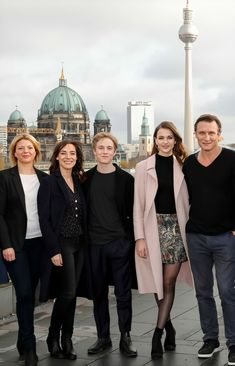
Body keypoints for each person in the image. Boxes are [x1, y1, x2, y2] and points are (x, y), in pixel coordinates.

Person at [134, 121, 192, 359]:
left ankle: (157, 333)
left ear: (175, 141)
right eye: (161, 138)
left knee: (167, 282)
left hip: (176, 230)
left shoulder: (185, 166)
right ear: (155, 141)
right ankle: (168, 326)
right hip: (151, 229)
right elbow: (137, 205)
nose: (165, 142)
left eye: (170, 137)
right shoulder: (142, 167)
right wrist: (139, 238)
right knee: (157, 283)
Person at [183, 114, 235, 366]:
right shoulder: (189, 164)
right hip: (197, 238)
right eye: (202, 133)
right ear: (196, 134)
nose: (206, 137)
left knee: (227, 292)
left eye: (211, 133)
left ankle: (234, 343)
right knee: (203, 292)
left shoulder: (232, 159)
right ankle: (210, 339)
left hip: (226, 237)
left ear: (219, 134)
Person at [83, 132, 137, 358]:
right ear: (94, 151)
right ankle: (103, 337)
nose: (104, 152)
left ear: (115, 151)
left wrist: (129, 241)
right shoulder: (85, 179)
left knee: (123, 294)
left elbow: (134, 212)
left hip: (119, 244)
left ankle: (126, 336)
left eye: (109, 148)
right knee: (99, 294)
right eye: (100, 148)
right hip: (94, 245)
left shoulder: (126, 180)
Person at [37, 140, 87, 361]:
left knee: (73, 294)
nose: (69, 156)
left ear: (77, 157)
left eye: (73, 153)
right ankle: (52, 337)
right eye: (64, 153)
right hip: (62, 243)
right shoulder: (49, 183)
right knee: (66, 293)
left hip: (79, 243)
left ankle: (67, 339)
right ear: (56, 156)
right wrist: (53, 250)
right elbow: (44, 219)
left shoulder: (78, 180)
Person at [0, 133, 47, 366]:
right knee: (25, 293)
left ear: (36, 152)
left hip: (39, 244)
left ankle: (22, 336)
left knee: (32, 297)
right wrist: (6, 244)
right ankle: (30, 347)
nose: (26, 151)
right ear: (15, 153)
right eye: (21, 148)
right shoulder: (4, 178)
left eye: (30, 147)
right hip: (16, 246)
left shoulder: (44, 179)